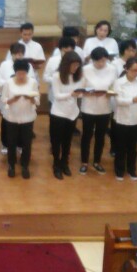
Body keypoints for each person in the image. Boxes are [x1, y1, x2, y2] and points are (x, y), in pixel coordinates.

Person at [0, 59, 39, 179]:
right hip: (12, 117)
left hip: (28, 117)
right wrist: (12, 99)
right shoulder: (8, 83)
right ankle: (11, 165)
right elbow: (3, 100)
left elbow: (37, 101)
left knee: (27, 143)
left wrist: (31, 98)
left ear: (27, 72)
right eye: (19, 73)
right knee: (11, 143)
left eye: (23, 73)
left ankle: (25, 166)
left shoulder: (33, 82)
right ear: (15, 72)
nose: (21, 75)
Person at [0, 43, 38, 156]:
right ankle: (5, 144)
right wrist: (8, 83)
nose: (18, 56)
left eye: (21, 54)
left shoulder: (27, 65)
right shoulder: (5, 64)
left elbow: (32, 79)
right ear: (12, 54)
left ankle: (20, 145)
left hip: (24, 100)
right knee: (6, 123)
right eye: (16, 54)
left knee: (23, 124)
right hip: (9, 97)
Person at [79, 47, 115, 175]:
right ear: (92, 60)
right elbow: (79, 89)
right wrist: (89, 92)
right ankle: (84, 162)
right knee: (87, 136)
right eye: (98, 61)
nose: (101, 63)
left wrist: (110, 92)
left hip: (104, 107)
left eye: (103, 61)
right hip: (88, 107)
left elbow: (114, 86)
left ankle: (97, 161)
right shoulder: (85, 69)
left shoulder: (112, 69)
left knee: (100, 136)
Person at [49, 52, 83, 180]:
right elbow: (57, 96)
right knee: (56, 141)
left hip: (72, 112)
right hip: (58, 113)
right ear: (66, 64)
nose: (75, 68)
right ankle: (56, 164)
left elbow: (79, 94)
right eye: (73, 65)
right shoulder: (57, 76)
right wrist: (71, 94)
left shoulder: (77, 76)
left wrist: (82, 93)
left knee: (67, 141)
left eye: (77, 65)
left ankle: (65, 163)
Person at [113, 58, 137, 182]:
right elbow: (118, 101)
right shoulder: (119, 82)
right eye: (133, 70)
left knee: (133, 147)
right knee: (121, 147)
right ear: (126, 69)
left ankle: (131, 169)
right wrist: (133, 100)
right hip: (122, 119)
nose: (135, 73)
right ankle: (119, 170)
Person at [43, 35, 77, 104]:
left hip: (71, 97)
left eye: (71, 49)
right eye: (66, 48)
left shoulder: (76, 61)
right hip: (54, 97)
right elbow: (45, 77)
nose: (68, 50)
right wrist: (58, 80)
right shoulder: (52, 60)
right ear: (60, 49)